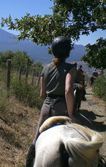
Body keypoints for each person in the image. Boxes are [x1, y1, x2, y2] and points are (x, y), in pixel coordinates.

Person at [25, 37, 92, 167]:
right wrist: (71, 113)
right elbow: (68, 90)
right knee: (87, 128)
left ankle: (28, 162)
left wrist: (49, 104)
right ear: (68, 53)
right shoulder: (70, 68)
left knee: (36, 139)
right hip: (63, 109)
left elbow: (42, 94)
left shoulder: (45, 69)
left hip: (46, 109)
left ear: (53, 51)